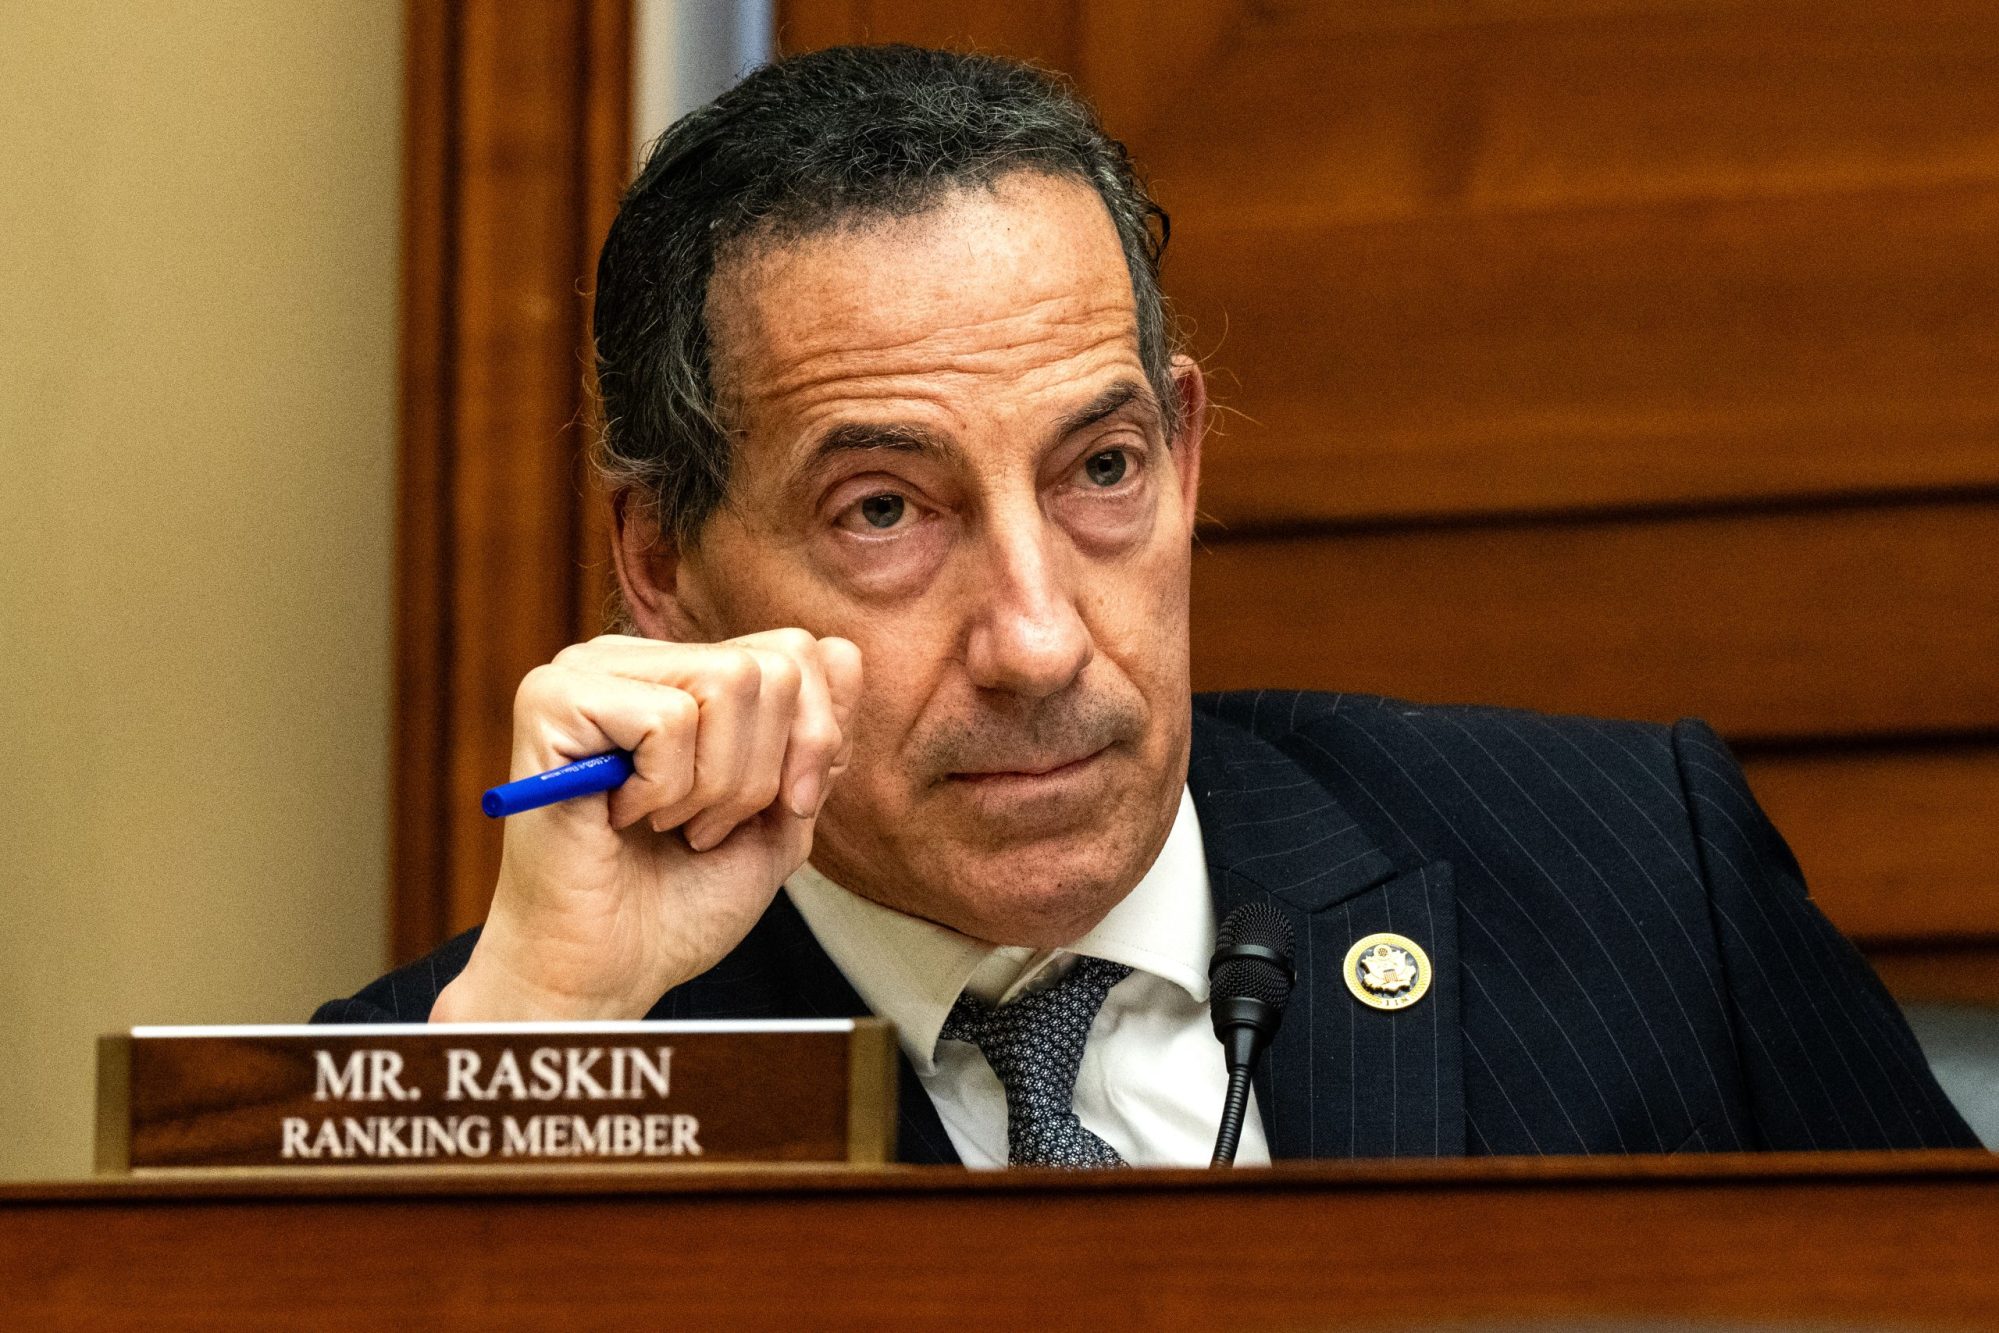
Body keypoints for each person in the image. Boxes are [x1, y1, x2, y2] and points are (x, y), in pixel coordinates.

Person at [316, 44, 1977, 1164]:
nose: (1040, 638)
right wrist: (549, 1036)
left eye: (1098, 470)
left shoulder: (1636, 883)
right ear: (663, 561)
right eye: (885, 509)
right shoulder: (481, 1058)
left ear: (1183, 454)